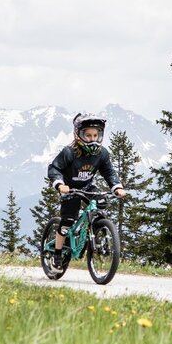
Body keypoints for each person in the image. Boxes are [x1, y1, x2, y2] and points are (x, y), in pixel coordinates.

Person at [46, 113, 126, 265]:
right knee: (67, 220)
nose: (92, 139)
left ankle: (93, 231)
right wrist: (60, 185)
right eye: (88, 135)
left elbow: (109, 172)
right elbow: (54, 168)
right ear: (79, 134)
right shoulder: (69, 152)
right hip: (70, 189)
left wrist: (117, 187)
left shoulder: (102, 154)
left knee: (101, 204)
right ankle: (57, 253)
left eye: (96, 135)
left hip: (88, 187)